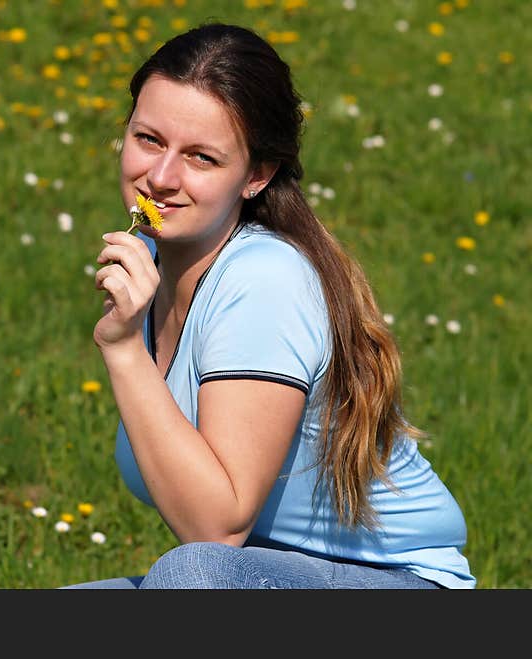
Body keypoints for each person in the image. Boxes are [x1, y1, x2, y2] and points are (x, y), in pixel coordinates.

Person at [68, 22, 475, 589]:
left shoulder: (264, 281)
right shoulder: (152, 267)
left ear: (256, 175)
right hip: (261, 576)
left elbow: (216, 528)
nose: (159, 178)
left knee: (193, 577)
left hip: (396, 584)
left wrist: (123, 351)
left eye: (202, 158)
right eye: (149, 139)